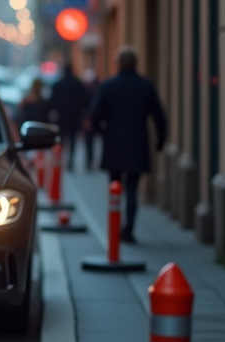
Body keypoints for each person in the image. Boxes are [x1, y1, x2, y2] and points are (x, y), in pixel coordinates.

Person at [88, 46, 167, 243]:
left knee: (115, 187)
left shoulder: (108, 86)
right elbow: (160, 117)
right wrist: (160, 140)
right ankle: (129, 227)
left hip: (114, 144)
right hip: (137, 143)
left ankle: (116, 225)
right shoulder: (146, 86)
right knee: (132, 188)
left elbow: (94, 115)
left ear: (118, 64)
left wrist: (103, 132)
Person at [49, 63, 90, 170]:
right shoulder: (79, 85)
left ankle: (60, 159)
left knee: (61, 140)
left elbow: (52, 103)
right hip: (74, 117)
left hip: (61, 117)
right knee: (73, 140)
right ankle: (70, 160)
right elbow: (85, 102)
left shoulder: (58, 85)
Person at [81, 67, 100, 170]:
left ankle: (90, 160)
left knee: (89, 141)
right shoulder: (96, 89)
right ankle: (90, 159)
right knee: (90, 141)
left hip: (90, 118)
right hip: (91, 119)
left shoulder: (89, 90)